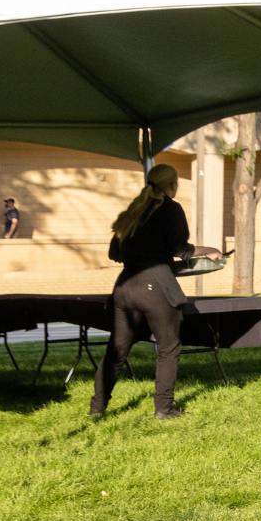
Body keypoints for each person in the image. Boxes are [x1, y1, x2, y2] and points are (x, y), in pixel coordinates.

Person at [90, 165, 216, 421]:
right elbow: (181, 249)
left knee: (116, 351)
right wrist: (210, 250)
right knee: (168, 347)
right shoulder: (171, 209)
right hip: (156, 287)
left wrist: (144, 255)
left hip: (125, 287)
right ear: (172, 184)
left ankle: (96, 409)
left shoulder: (133, 211)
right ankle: (164, 410)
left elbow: (114, 253)